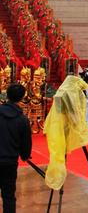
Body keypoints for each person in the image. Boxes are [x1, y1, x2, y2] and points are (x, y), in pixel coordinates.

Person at [0, 83, 32, 212]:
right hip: (9, 162)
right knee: (8, 196)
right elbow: (26, 142)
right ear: (21, 98)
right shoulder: (22, 119)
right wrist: (25, 155)